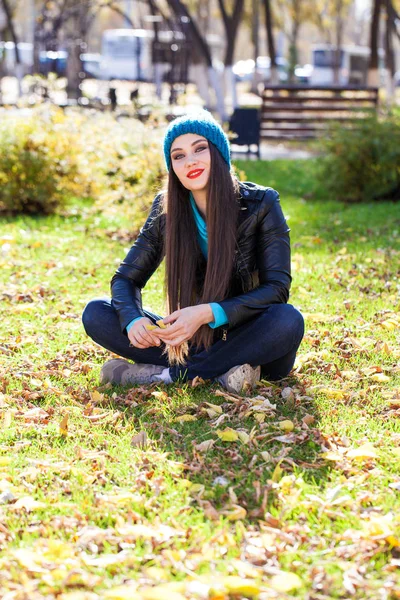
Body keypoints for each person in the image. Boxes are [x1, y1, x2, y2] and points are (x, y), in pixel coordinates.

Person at [82, 109, 304, 394]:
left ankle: (167, 376)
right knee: (96, 312)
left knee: (288, 319)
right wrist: (133, 319)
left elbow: (277, 289)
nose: (191, 161)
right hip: (195, 340)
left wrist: (205, 313)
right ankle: (220, 373)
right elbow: (125, 279)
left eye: (200, 149)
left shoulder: (262, 203)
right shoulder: (166, 210)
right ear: (172, 166)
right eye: (179, 155)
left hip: (255, 335)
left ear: (219, 153)